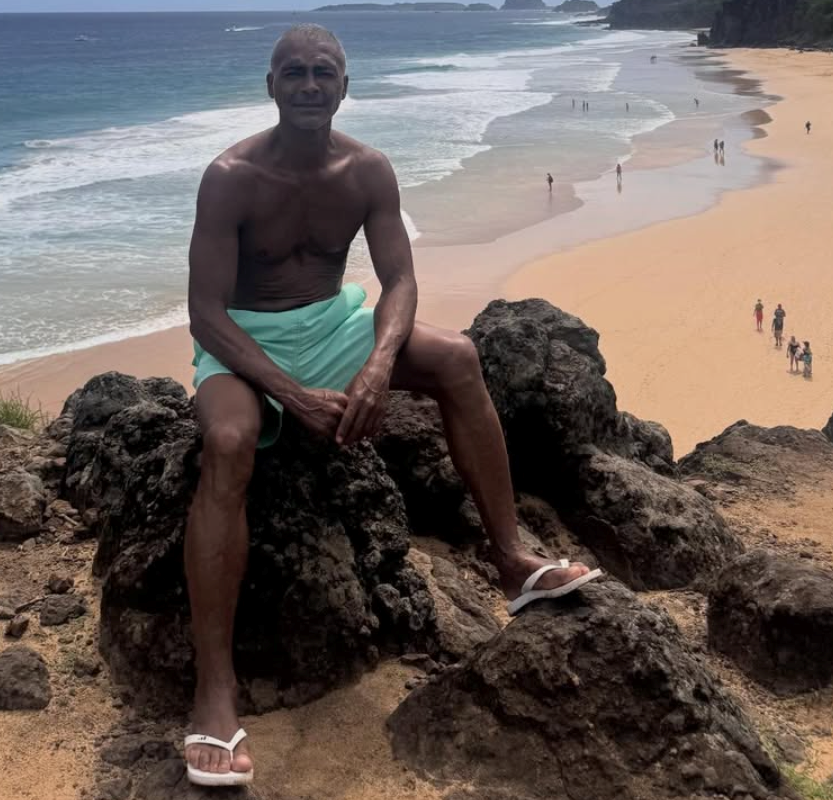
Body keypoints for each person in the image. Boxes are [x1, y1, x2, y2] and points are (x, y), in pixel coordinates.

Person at [183, 24, 600, 787]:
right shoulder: (230, 177)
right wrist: (291, 394)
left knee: (458, 357)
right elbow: (205, 313)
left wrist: (376, 368)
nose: (309, 85)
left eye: (324, 73)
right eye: (294, 73)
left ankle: (511, 560)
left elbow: (399, 280)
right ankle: (214, 689)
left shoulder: (367, 171)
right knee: (230, 442)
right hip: (243, 345)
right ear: (270, 85)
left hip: (331, 327)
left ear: (345, 87)